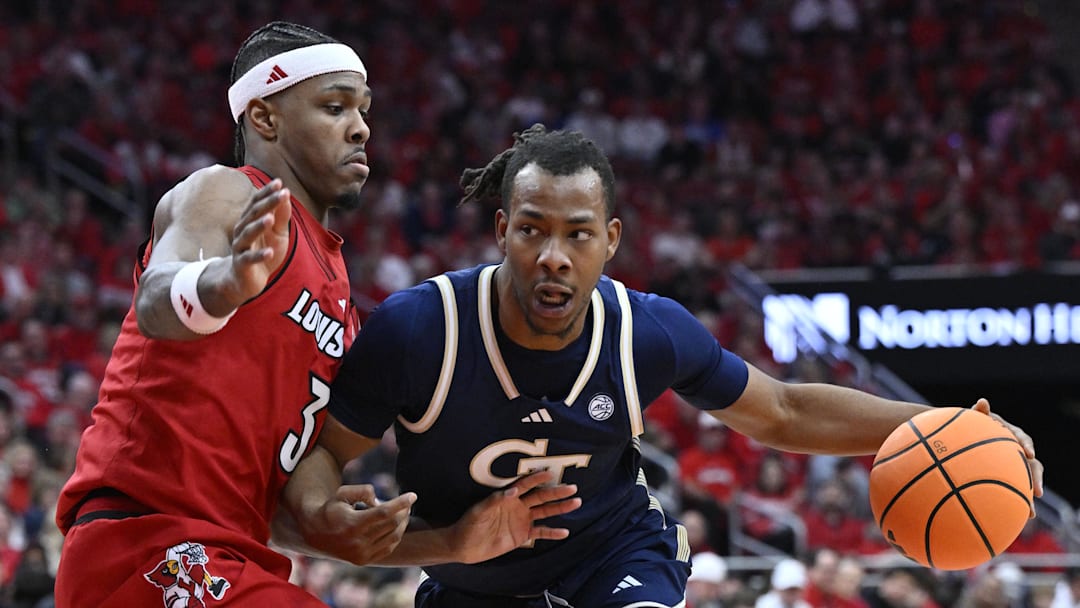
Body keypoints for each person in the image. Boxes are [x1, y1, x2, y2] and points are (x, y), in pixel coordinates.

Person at [284, 124, 1044, 607]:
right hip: (467, 581)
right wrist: (361, 524)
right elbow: (319, 462)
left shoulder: (646, 332)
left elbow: (783, 412)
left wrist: (946, 424)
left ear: (610, 239)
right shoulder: (420, 330)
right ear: (500, 232)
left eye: (577, 234)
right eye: (532, 231)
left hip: (615, 557)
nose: (553, 256)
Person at [51, 21, 407, 607]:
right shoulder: (228, 194)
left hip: (223, 556)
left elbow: (272, 511)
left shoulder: (339, 290)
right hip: (144, 544)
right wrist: (221, 284)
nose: (361, 127)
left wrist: (459, 542)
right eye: (335, 106)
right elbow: (159, 296)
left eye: (364, 109)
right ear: (265, 118)